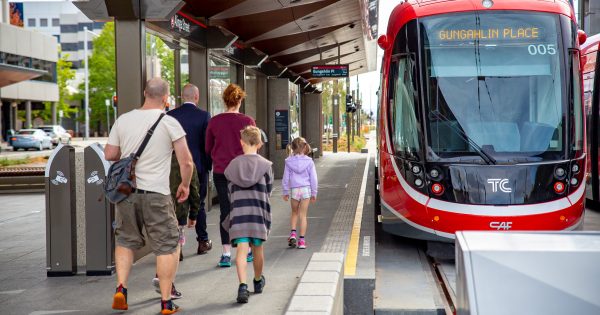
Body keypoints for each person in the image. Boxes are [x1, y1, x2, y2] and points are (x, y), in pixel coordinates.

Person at [104, 78, 193, 315]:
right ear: (166, 99)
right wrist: (185, 184)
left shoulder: (123, 119)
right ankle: (165, 302)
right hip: (156, 194)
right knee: (167, 245)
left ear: (145, 93)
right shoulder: (170, 122)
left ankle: (121, 289)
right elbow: (186, 162)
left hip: (126, 193)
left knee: (125, 240)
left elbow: (110, 153)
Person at [205, 83, 256, 267]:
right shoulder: (248, 121)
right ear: (239, 100)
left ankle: (226, 253)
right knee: (244, 209)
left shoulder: (214, 122)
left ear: (224, 100)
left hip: (221, 171)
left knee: (225, 211)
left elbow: (208, 148)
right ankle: (247, 250)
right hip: (243, 172)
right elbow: (254, 145)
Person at [223, 126, 273, 303]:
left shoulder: (232, 165)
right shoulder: (266, 166)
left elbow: (229, 190)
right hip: (258, 214)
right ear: (259, 143)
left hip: (239, 214)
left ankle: (242, 286)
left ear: (241, 142)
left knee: (242, 252)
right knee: (257, 249)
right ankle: (258, 281)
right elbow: (268, 190)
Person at [167, 84, 213, 255]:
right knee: (198, 203)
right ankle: (202, 241)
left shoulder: (170, 115)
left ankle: (176, 246)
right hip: (197, 166)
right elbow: (207, 145)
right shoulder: (203, 116)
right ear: (196, 96)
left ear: (181, 96)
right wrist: (208, 166)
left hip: (174, 167)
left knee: (175, 203)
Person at [282, 137, 318, 249]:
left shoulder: (288, 161)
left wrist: (285, 191)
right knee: (303, 215)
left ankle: (293, 233)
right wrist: (314, 193)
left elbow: (285, 178)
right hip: (305, 190)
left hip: (294, 189)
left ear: (292, 148)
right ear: (304, 147)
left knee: (294, 213)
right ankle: (301, 241)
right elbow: (314, 179)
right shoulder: (309, 161)